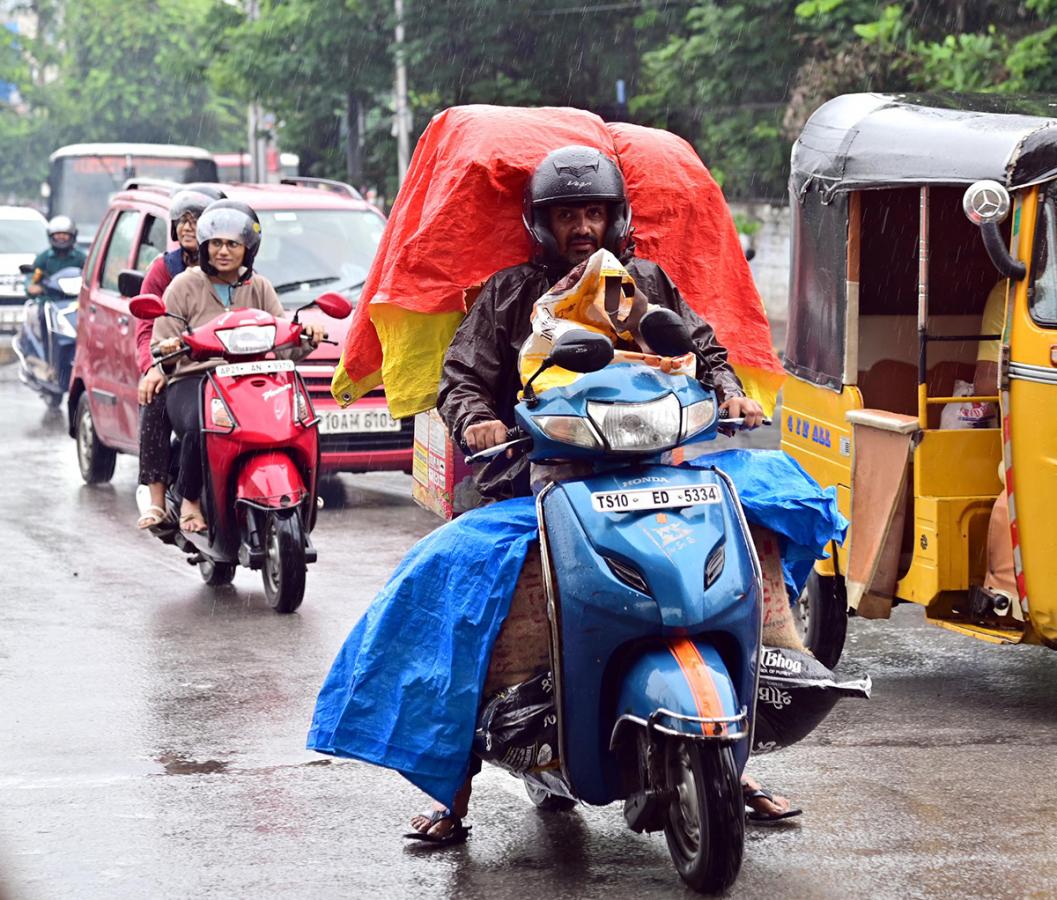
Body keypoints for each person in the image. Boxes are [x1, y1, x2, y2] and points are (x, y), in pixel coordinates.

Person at [406, 145, 784, 840]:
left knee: (763, 525)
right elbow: (460, 379)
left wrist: (729, 394)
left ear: (616, 217)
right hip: (542, 477)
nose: (580, 227)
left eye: (592, 212)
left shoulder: (645, 283)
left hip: (656, 467)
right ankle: (450, 789)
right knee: (466, 595)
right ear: (539, 223)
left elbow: (706, 352)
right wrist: (480, 421)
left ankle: (736, 756)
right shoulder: (510, 294)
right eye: (565, 215)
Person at [142, 200, 325, 533]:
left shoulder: (260, 286)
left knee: (302, 420)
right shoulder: (183, 285)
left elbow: (283, 345)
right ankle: (189, 500)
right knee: (203, 424)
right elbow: (161, 346)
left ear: (247, 249)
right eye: (216, 243)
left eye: (232, 244)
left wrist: (307, 337)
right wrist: (169, 348)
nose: (223, 251)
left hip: (255, 378)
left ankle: (307, 488)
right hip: (195, 379)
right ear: (204, 246)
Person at [136, 186, 225, 529]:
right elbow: (147, 328)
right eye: (182, 220)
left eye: (197, 219)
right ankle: (157, 499)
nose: (188, 227)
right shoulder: (164, 270)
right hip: (179, 367)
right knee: (155, 399)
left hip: (230, 365)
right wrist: (154, 367)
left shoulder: (235, 265)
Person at [25, 215, 87, 299]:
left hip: (74, 301)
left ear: (73, 236)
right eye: (58, 234)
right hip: (49, 301)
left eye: (65, 234)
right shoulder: (43, 258)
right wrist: (33, 287)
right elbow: (32, 278)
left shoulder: (81, 258)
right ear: (51, 235)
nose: (61, 237)